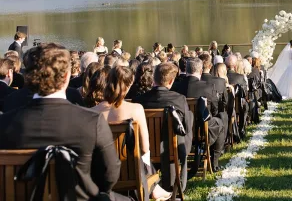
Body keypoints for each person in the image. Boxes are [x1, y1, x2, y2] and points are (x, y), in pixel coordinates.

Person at [0, 43, 124, 201]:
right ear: (66, 77)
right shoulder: (92, 122)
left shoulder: (3, 123)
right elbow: (110, 176)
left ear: (28, 77)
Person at [93, 62, 172, 200]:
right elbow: (145, 148)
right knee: (143, 162)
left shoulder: (91, 112)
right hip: (130, 172)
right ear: (128, 86)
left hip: (101, 173)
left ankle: (155, 189)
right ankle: (154, 188)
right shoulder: (136, 109)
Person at [133, 63, 194, 193]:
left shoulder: (139, 101)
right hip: (171, 150)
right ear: (171, 81)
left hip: (147, 150)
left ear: (154, 79)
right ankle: (178, 180)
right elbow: (186, 128)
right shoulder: (179, 99)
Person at [171, 58, 226, 171]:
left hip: (181, 128)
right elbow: (215, 110)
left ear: (186, 70)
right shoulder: (209, 87)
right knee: (220, 121)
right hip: (202, 128)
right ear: (201, 71)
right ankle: (214, 162)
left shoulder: (176, 87)